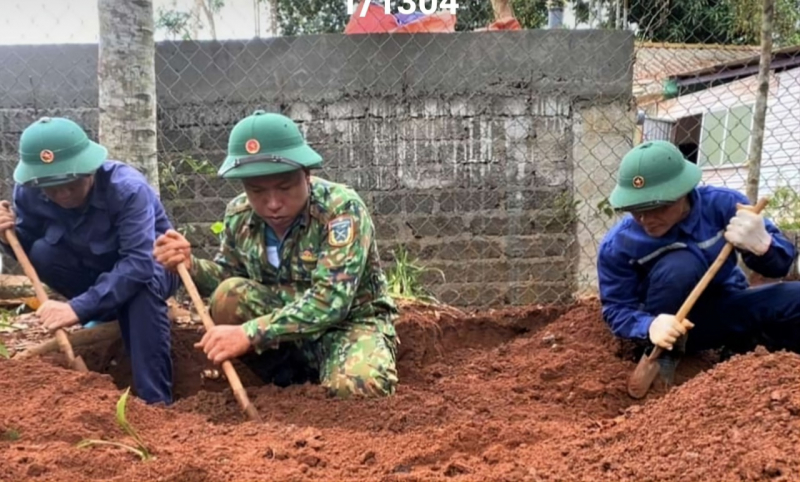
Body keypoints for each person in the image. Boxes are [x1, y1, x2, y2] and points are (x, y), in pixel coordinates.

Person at [152, 110, 399, 398]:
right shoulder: (240, 214)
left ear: (306, 175)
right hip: (282, 333)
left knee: (358, 387)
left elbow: (331, 301)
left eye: (284, 188)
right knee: (229, 296)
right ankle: (285, 384)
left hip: (346, 325)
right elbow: (228, 277)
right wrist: (191, 265)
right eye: (257, 191)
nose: (272, 203)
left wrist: (249, 334)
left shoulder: (341, 210)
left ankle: (336, 373)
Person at [0, 116, 178, 405]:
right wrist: (7, 235)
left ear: (89, 168)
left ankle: (156, 402)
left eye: (71, 183)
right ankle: (107, 312)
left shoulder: (127, 189)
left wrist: (77, 308)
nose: (63, 194)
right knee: (43, 252)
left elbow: (139, 264)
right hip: (91, 272)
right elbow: (28, 246)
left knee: (142, 289)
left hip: (151, 269)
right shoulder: (30, 190)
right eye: (52, 188)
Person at [597, 140, 800, 381]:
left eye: (657, 207)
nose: (644, 219)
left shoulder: (724, 205)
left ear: (682, 192)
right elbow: (617, 308)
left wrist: (764, 246)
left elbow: (779, 266)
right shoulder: (619, 245)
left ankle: (750, 351)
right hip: (668, 328)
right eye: (635, 209)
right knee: (681, 265)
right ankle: (665, 357)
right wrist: (649, 325)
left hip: (724, 308)